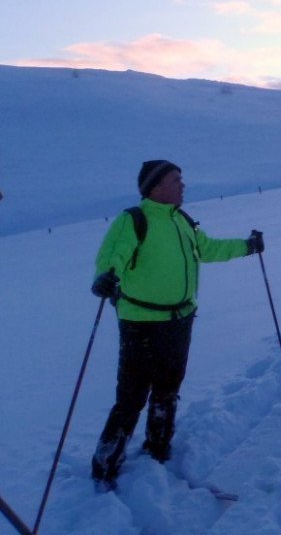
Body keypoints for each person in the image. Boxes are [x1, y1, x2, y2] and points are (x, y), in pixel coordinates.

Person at [89, 160, 264, 491]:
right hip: (140, 323)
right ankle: (105, 465)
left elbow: (208, 249)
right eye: (176, 180)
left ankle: (158, 447)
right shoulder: (134, 220)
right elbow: (113, 254)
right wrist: (106, 275)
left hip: (179, 321)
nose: (183, 185)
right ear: (156, 187)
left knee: (168, 388)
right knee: (131, 396)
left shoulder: (182, 220)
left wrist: (248, 246)